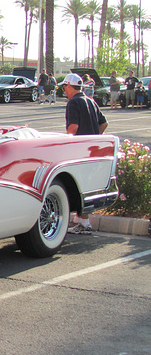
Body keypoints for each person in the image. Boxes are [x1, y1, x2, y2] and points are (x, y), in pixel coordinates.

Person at [62, 73, 108, 235]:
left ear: (69, 86)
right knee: (87, 185)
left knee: (78, 185)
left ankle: (83, 222)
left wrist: (66, 143)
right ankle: (82, 220)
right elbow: (104, 123)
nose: (63, 90)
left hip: (79, 149)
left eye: (64, 86)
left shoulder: (73, 103)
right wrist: (94, 137)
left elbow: (73, 127)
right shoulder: (90, 101)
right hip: (91, 149)